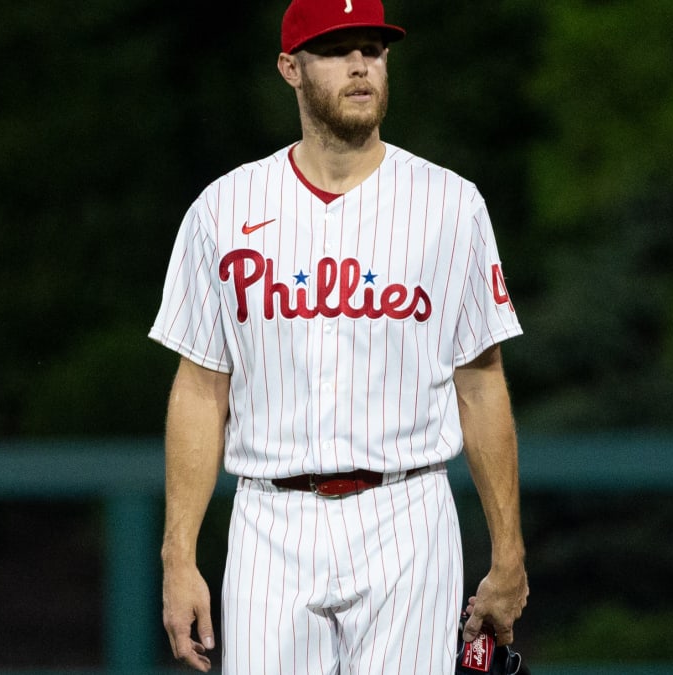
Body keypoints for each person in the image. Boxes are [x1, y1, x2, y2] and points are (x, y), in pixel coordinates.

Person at [150, 0, 527, 672]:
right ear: (290, 68)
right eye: (336, 48)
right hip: (272, 519)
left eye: (374, 49)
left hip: (407, 511)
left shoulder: (450, 204)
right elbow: (201, 386)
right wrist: (179, 555)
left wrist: (509, 552)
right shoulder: (224, 208)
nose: (360, 64)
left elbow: (481, 379)